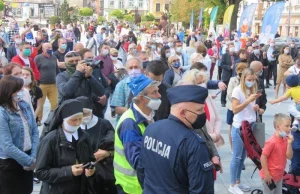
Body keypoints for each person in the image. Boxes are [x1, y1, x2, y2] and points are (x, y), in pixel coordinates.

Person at [137, 85, 214, 193]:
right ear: (183, 112)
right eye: (199, 110)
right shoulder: (193, 144)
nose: (203, 113)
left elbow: (141, 171)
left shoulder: (151, 129)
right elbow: (202, 190)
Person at [35, 99, 96, 194]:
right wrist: (68, 171)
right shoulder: (50, 140)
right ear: (63, 120)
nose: (77, 123)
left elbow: (91, 159)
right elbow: (40, 172)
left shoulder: (84, 136)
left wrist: (91, 171)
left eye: (80, 119)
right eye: (73, 120)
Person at [114, 75, 161, 194]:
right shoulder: (130, 124)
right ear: (142, 98)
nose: (159, 95)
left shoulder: (150, 115)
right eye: (154, 93)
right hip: (133, 187)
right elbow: (138, 161)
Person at [0, 75, 39, 194]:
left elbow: (34, 132)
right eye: (19, 90)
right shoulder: (2, 113)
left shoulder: (24, 106)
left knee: (27, 190)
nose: (22, 92)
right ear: (9, 91)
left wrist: (32, 156)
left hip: (28, 156)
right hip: (10, 162)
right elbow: (7, 146)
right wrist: (29, 161)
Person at [229, 68, 263, 194]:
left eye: (254, 80)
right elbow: (235, 110)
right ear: (243, 79)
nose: (252, 82)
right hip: (239, 127)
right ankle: (232, 184)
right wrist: (248, 100)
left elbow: (251, 108)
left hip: (250, 126)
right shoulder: (237, 90)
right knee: (237, 157)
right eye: (249, 80)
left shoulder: (252, 89)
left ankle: (237, 181)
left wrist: (256, 107)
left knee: (243, 156)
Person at [77, 96, 117, 194]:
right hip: (78, 177)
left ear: (92, 110)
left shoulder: (104, 124)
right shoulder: (72, 127)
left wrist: (108, 153)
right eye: (80, 114)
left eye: (86, 113)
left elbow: (118, 147)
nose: (83, 117)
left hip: (102, 177)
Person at [260, 113, 293, 194]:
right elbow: (263, 157)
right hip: (270, 176)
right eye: (287, 126)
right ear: (278, 127)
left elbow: (289, 157)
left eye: (290, 126)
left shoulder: (285, 139)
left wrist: (289, 144)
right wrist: (267, 174)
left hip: (279, 175)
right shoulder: (272, 142)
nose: (290, 128)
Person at [111, 58, 143, 123]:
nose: (133, 70)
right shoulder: (121, 85)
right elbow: (117, 108)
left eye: (136, 67)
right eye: (131, 68)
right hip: (126, 122)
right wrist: (136, 112)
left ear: (141, 68)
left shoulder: (147, 83)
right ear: (127, 70)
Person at [81, 49, 111, 119]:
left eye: (92, 57)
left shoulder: (97, 70)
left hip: (99, 109)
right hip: (86, 108)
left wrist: (105, 96)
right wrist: (97, 99)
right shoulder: (79, 73)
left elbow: (107, 87)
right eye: (88, 58)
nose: (91, 59)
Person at [35, 43, 60, 121]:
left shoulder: (54, 57)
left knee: (55, 103)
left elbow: (57, 70)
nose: (50, 49)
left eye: (51, 47)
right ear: (43, 49)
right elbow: (35, 71)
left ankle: (53, 118)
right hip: (42, 85)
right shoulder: (38, 58)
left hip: (53, 84)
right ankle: (39, 120)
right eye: (48, 47)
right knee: (40, 104)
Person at [226, 63, 248, 153]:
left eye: (243, 70)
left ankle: (244, 148)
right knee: (232, 127)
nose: (241, 72)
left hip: (245, 108)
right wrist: (239, 101)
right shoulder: (233, 80)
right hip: (233, 107)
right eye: (239, 69)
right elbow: (229, 94)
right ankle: (232, 147)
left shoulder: (248, 80)